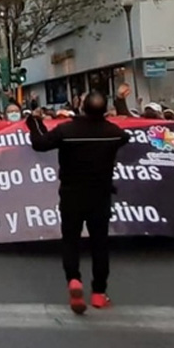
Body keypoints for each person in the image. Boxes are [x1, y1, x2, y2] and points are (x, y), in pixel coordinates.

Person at [26, 92, 129, 314]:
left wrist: (34, 122)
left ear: (82, 107)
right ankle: (99, 293)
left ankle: (74, 280)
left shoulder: (67, 131)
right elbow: (125, 135)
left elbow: (40, 143)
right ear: (105, 110)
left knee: (71, 241)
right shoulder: (113, 133)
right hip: (100, 195)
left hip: (72, 194)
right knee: (100, 244)